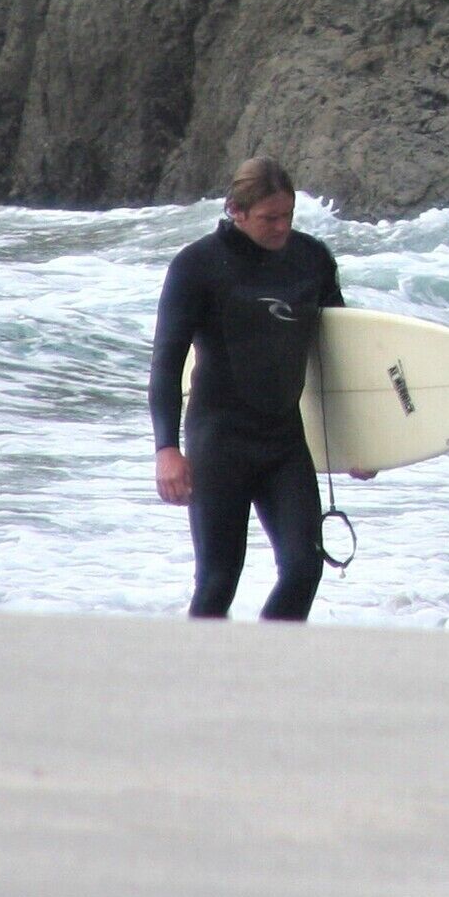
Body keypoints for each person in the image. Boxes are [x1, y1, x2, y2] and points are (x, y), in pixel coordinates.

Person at [148, 155, 346, 620]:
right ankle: (196, 681)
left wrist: (362, 443)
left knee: (304, 568)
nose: (281, 228)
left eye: (288, 216)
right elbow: (166, 361)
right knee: (218, 581)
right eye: (269, 218)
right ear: (236, 210)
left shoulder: (310, 259)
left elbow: (342, 352)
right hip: (219, 442)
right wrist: (166, 449)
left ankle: (263, 670)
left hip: (283, 442)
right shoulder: (197, 266)